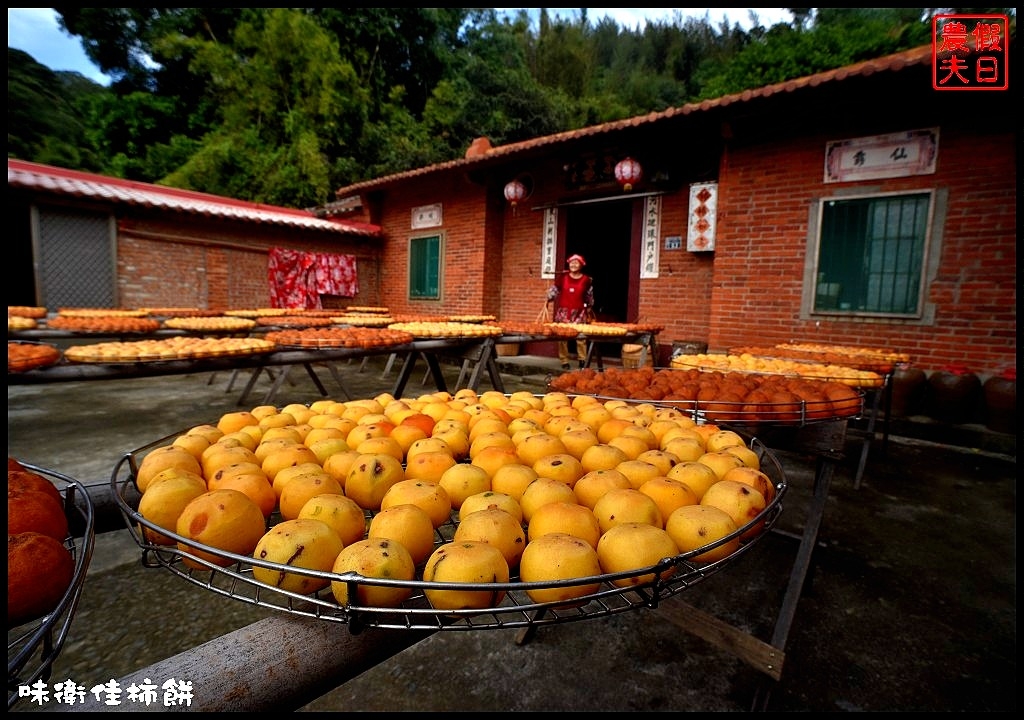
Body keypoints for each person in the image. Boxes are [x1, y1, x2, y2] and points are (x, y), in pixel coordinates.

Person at [546, 253, 595, 370]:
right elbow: (555, 290)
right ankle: (564, 360)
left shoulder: (586, 280)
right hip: (564, 312)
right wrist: (549, 295)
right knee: (563, 337)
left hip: (579, 312)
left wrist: (589, 305)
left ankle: (582, 359)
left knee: (581, 337)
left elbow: (589, 295)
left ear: (581, 265)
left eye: (576, 262)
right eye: (571, 262)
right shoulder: (563, 277)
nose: (573, 265)